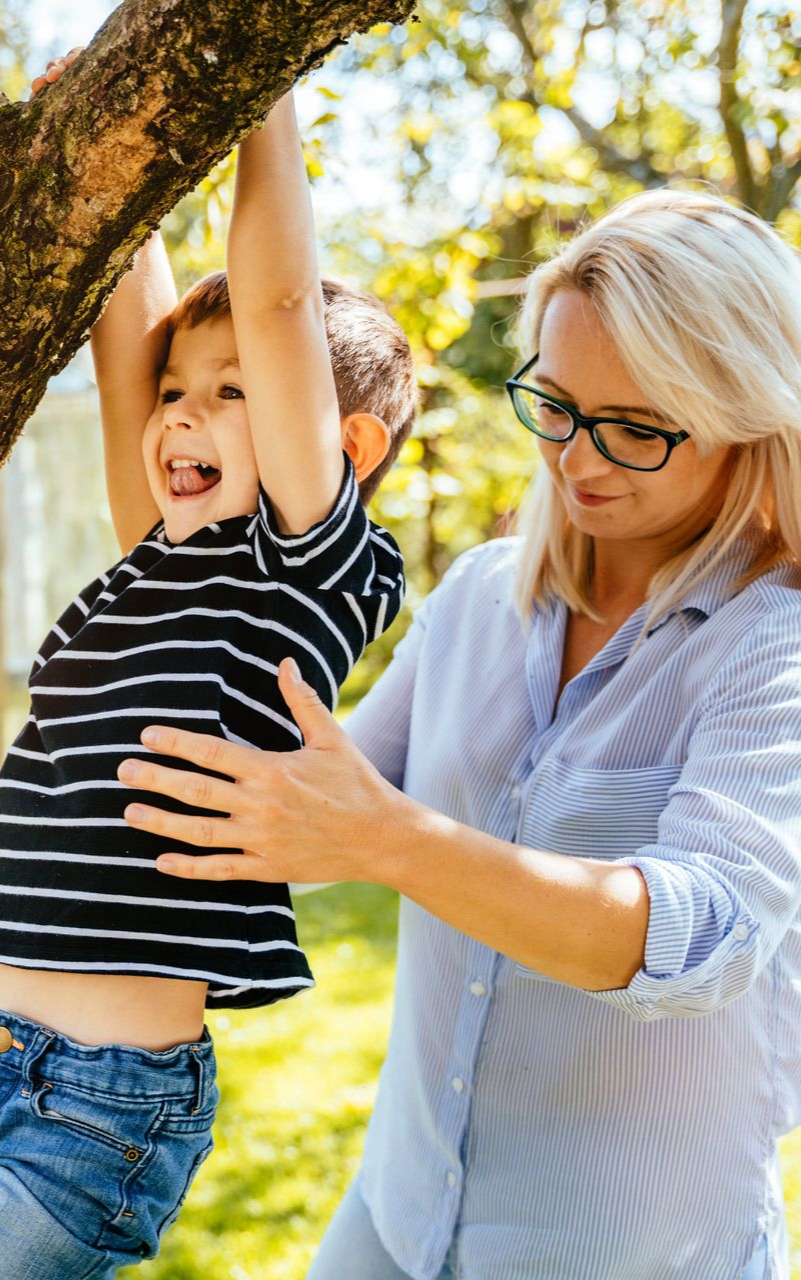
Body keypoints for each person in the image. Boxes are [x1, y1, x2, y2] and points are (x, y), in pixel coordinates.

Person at [119, 188, 801, 1279]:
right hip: (399, 1214)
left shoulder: (774, 645)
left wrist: (393, 843)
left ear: (745, 414)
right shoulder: (485, 595)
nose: (578, 458)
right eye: (556, 404)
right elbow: (307, 794)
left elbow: (706, 935)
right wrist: (122, 234)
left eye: (634, 427)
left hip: (620, 1252)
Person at [0, 51, 417, 1280]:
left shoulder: (303, 567)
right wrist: (99, 140)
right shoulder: (157, 555)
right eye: (180, 392)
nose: (179, 413)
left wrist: (262, 80)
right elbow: (123, 349)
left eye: (231, 392)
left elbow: (283, 301)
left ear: (339, 443)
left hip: (100, 1105)